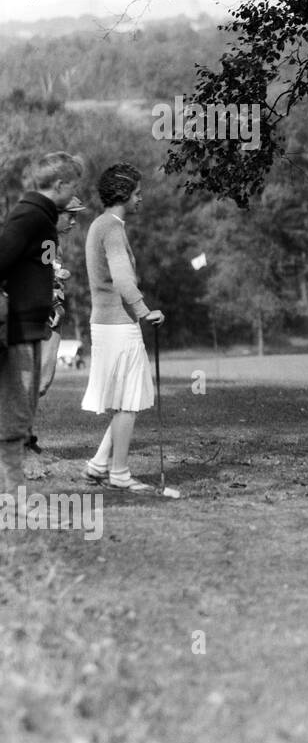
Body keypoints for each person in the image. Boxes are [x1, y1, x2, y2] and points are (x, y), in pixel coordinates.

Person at [0, 152, 84, 490]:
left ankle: (12, 498)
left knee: (20, 416)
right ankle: (10, 500)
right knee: (14, 419)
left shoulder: (43, 219)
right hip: (17, 331)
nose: (75, 192)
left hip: (33, 328)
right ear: (61, 185)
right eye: (74, 184)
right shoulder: (30, 216)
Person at [80, 163, 165, 492]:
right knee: (129, 402)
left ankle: (99, 465)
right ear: (123, 194)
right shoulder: (113, 228)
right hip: (118, 325)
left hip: (103, 324)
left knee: (122, 400)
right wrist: (145, 311)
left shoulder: (99, 225)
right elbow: (123, 279)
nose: (141, 198)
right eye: (137, 193)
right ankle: (119, 474)